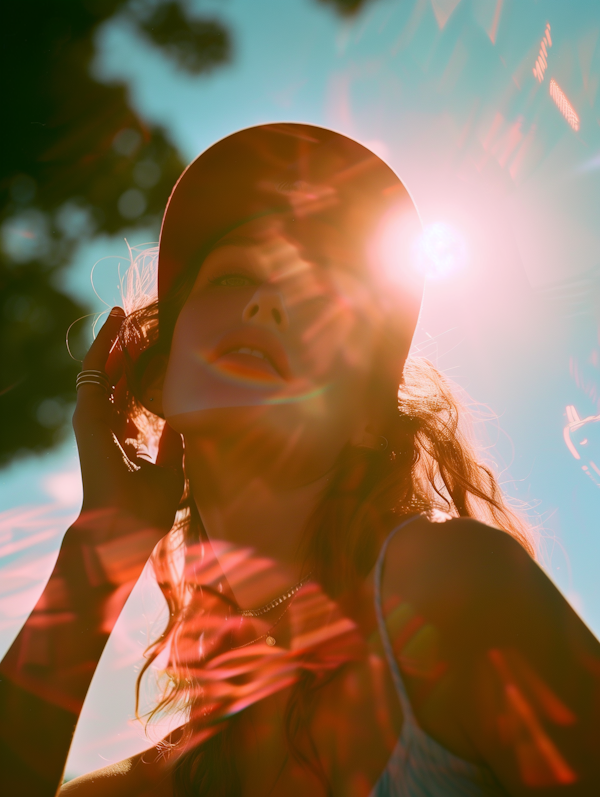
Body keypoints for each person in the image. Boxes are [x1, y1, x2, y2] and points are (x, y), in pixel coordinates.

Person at [1, 123, 598, 797]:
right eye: (232, 276)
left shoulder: (456, 587)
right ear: (161, 381)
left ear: (369, 419)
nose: (267, 302)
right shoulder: (134, 787)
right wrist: (102, 544)